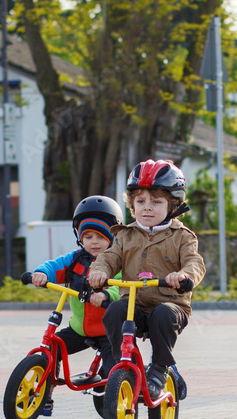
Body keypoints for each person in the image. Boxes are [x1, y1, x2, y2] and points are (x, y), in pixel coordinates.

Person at [88, 160, 206, 402]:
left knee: (163, 314)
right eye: (140, 201)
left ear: (173, 205)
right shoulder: (124, 235)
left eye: (156, 202)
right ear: (132, 204)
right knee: (114, 310)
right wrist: (98, 272)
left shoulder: (182, 237)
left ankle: (160, 369)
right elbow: (108, 258)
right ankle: (126, 363)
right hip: (135, 306)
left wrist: (184, 276)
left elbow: (195, 262)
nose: (147, 208)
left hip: (170, 307)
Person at [29, 196, 124, 415]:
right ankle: (46, 394)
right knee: (52, 348)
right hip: (79, 328)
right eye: (88, 236)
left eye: (101, 236)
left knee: (111, 372)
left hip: (109, 331)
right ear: (80, 237)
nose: (94, 242)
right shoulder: (76, 259)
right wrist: (43, 273)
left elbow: (122, 286)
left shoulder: (116, 261)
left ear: (113, 236)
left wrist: (107, 295)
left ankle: (116, 400)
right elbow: (56, 265)